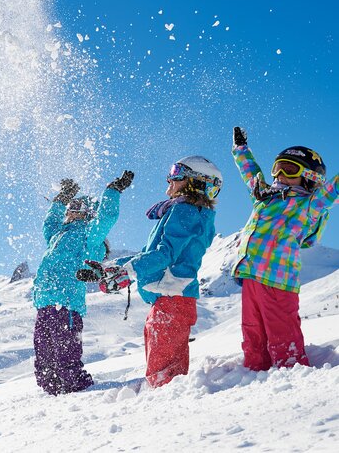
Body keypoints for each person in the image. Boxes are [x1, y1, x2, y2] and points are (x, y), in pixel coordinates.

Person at [105, 156, 223, 388]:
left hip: (172, 301)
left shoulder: (185, 211)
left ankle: (164, 412)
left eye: (177, 176)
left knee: (164, 375)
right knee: (166, 370)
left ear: (197, 183)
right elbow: (148, 253)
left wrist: (126, 272)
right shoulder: (184, 212)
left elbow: (164, 254)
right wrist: (112, 268)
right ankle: (167, 406)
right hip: (168, 301)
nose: (169, 180)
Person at [231, 126, 339, 371]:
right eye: (277, 168)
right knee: (252, 332)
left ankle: (290, 371)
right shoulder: (264, 197)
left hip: (278, 280)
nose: (279, 175)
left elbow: (332, 191)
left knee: (282, 331)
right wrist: (241, 150)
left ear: (311, 177)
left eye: (289, 169)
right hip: (250, 275)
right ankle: (253, 371)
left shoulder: (308, 204)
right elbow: (251, 174)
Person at [33, 171, 134, 395]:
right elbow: (49, 222)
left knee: (65, 358)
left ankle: (82, 392)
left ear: (87, 212)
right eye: (71, 205)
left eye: (78, 205)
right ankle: (53, 396)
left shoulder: (89, 235)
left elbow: (105, 218)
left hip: (66, 304)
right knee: (44, 363)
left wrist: (112, 190)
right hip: (45, 303)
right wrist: (61, 198)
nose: (72, 209)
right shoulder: (57, 234)